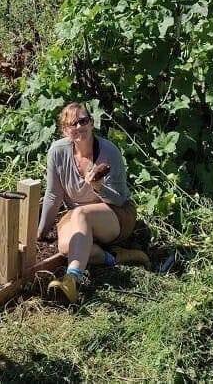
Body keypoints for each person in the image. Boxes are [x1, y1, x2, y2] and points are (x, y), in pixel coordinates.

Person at [38, 102, 150, 303]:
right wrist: (41, 233)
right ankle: (117, 257)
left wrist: (98, 187)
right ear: (65, 130)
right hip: (77, 215)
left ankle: (72, 279)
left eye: (84, 121)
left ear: (91, 123)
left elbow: (119, 198)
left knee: (82, 214)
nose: (80, 127)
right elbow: (53, 194)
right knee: (65, 247)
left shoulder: (109, 151)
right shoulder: (58, 152)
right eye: (73, 124)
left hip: (116, 214)